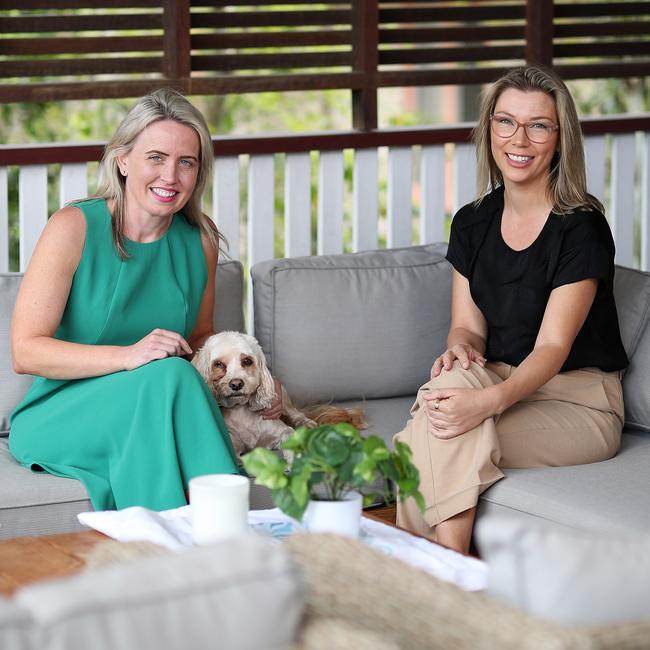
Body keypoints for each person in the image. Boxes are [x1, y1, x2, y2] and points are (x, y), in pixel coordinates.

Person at [9, 89, 280, 512]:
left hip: (159, 403)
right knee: (168, 373)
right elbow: (26, 352)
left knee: (171, 375)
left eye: (185, 162)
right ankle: (223, 529)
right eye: (155, 157)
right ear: (122, 160)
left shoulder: (201, 239)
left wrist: (264, 384)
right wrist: (130, 356)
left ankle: (192, 540)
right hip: (62, 411)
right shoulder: (73, 227)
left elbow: (203, 338)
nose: (170, 176)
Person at [395, 65, 628, 554]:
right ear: (489, 130)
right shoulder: (472, 221)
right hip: (498, 376)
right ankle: (449, 571)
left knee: (430, 434)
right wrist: (460, 350)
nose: (519, 138)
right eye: (506, 122)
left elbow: (552, 348)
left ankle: (446, 566)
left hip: (578, 401)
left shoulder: (581, 227)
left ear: (560, 139)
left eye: (538, 125)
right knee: (444, 404)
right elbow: (466, 327)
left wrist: (486, 402)